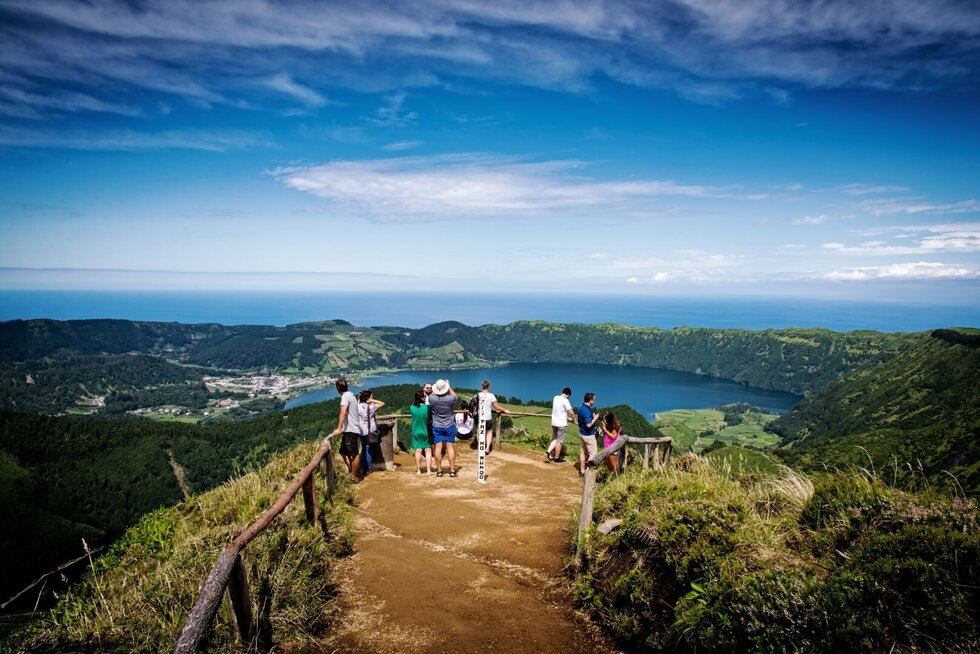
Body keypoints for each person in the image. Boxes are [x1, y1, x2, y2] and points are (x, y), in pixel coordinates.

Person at [328, 378, 361, 482]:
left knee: (354, 453)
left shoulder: (345, 397)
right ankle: (352, 471)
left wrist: (338, 428)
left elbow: (343, 412)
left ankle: (354, 477)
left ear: (338, 388)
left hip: (351, 430)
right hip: (350, 429)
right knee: (343, 451)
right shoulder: (351, 395)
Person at [429, 379, 458, 477]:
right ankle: (453, 471)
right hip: (449, 425)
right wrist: (448, 386)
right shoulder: (450, 399)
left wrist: (437, 388)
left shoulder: (432, 399)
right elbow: (455, 396)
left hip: (437, 426)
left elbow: (432, 394)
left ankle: (439, 471)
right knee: (450, 447)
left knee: (438, 448)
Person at [357, 389, 385, 476]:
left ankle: (361, 468)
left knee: (363, 449)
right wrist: (371, 400)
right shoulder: (371, 407)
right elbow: (382, 403)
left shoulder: (357, 407)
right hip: (370, 431)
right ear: (368, 398)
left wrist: (360, 401)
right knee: (369, 450)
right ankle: (368, 468)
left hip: (361, 431)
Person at [478, 379, 509, 454]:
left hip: (480, 417)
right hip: (488, 417)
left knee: (480, 432)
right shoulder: (491, 395)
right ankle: (487, 447)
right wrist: (505, 410)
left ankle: (480, 447)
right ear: (488, 386)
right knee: (489, 432)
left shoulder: (478, 395)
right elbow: (496, 407)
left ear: (482, 386)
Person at [547, 387, 575, 463]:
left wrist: (567, 418)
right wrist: (573, 419)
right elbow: (571, 412)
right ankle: (556, 458)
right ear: (568, 395)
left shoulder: (555, 397)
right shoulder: (566, 400)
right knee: (559, 441)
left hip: (554, 422)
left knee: (555, 439)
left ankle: (548, 452)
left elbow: (560, 411)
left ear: (562, 392)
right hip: (561, 424)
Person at [577, 392, 600, 477]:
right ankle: (588, 472)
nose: (595, 401)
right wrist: (595, 418)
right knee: (593, 454)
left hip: (582, 433)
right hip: (588, 435)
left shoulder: (581, 407)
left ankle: (582, 471)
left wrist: (591, 416)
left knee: (583, 452)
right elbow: (589, 424)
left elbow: (582, 420)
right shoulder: (586, 410)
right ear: (590, 400)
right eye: (594, 400)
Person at [410, 389, 433, 475]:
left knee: (418, 451)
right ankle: (428, 470)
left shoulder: (412, 408)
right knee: (428, 450)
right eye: (424, 396)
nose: (426, 397)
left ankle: (419, 470)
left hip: (415, 431)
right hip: (426, 431)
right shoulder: (427, 408)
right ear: (422, 398)